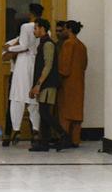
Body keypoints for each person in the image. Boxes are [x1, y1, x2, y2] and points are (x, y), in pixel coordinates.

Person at [3, 3, 43, 145]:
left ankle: (15, 129)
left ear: (30, 13)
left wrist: (10, 48)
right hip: (36, 65)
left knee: (17, 98)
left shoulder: (25, 27)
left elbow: (24, 46)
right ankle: (36, 132)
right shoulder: (46, 30)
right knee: (34, 100)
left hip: (22, 66)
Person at [29, 19, 63, 152]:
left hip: (47, 84)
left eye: (36, 28)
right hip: (44, 84)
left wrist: (38, 84)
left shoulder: (48, 44)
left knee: (44, 112)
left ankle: (63, 134)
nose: (34, 31)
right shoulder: (43, 43)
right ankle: (44, 142)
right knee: (43, 113)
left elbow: (48, 66)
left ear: (42, 28)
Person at [57, 20, 88, 148]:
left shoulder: (68, 44)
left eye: (64, 29)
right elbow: (85, 65)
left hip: (68, 82)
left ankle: (64, 139)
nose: (62, 31)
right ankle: (76, 139)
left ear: (69, 29)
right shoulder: (82, 45)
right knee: (76, 112)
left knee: (65, 112)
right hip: (79, 81)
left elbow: (64, 67)